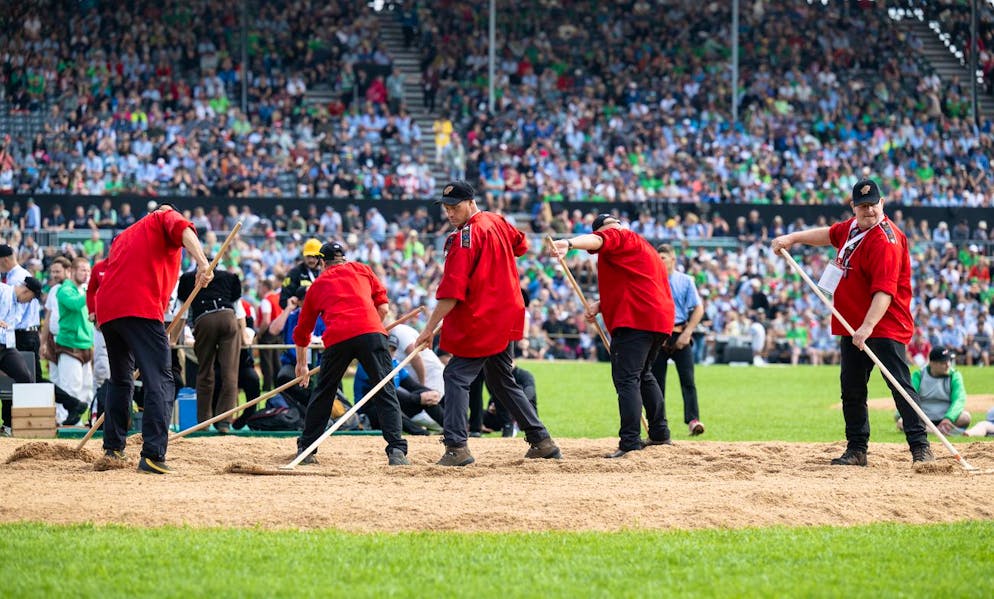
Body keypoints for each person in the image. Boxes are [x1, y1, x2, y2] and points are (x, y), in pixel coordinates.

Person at [771, 178, 934, 466]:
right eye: (863, 207)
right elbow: (828, 234)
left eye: (873, 205)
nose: (869, 211)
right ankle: (857, 448)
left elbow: (885, 292)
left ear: (882, 204)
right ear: (853, 207)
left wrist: (867, 328)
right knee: (852, 389)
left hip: (883, 325)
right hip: (851, 324)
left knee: (899, 386)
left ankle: (920, 447)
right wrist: (793, 238)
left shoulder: (886, 241)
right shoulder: (851, 227)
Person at [415, 181, 561, 466]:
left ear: (471, 202)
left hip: (484, 317)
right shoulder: (498, 220)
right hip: (506, 313)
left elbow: (451, 293)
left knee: (456, 376)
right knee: (501, 379)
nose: (449, 213)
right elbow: (522, 245)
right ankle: (541, 439)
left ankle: (456, 447)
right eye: (446, 208)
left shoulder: (463, 239)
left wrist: (429, 327)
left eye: (454, 207)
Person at [95, 203, 212, 474]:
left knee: (121, 378)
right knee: (160, 377)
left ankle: (113, 448)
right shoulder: (164, 217)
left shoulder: (124, 235)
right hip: (139, 307)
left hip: (110, 311)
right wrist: (203, 263)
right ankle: (152, 454)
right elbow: (184, 228)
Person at [551, 213, 675, 457]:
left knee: (627, 379)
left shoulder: (617, 235)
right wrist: (601, 304)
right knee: (644, 375)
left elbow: (598, 240)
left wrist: (569, 243)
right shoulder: (643, 246)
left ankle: (630, 442)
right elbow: (636, 283)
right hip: (657, 318)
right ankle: (660, 433)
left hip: (635, 320)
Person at [292, 241, 409, 466]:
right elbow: (383, 307)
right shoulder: (363, 270)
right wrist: (372, 326)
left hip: (338, 337)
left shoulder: (317, 284)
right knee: (385, 390)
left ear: (322, 263)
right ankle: (396, 450)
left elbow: (302, 330)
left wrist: (302, 365)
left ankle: (306, 448)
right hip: (372, 332)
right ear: (343, 258)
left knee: (324, 393)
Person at [177, 265, 242, 433]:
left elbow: (182, 313)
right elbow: (239, 311)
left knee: (205, 372)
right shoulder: (230, 277)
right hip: (228, 318)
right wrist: (245, 335)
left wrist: (172, 339)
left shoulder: (187, 279)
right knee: (230, 373)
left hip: (204, 320)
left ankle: (203, 423)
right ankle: (224, 422)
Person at [652, 244, 705, 436]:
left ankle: (693, 420)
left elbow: (698, 308)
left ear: (673, 259)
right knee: (656, 382)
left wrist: (688, 332)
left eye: (663, 258)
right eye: (658, 258)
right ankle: (658, 423)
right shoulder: (652, 280)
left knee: (688, 379)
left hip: (680, 330)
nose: (660, 261)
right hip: (659, 333)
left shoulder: (685, 281)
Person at [0, 277, 50, 435]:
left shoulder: (16, 301)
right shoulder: (2, 290)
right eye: (31, 298)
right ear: (25, 290)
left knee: (25, 377)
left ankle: (18, 425)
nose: (29, 302)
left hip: (6, 347)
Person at [896, 346, 970, 434]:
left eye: (949, 361)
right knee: (901, 421)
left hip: (945, 417)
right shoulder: (919, 375)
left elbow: (959, 399)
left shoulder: (954, 375)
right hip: (923, 416)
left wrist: (949, 418)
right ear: (931, 363)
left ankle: (928, 430)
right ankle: (938, 431)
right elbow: (909, 397)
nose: (948, 365)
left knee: (965, 417)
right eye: (943, 362)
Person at [54, 257, 95, 413]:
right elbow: (76, 304)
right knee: (71, 387)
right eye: (83, 270)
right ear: (72, 271)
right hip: (69, 344)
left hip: (85, 343)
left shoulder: (83, 290)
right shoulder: (64, 289)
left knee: (86, 387)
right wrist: (91, 290)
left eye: (88, 270)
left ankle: (78, 424)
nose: (86, 274)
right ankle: (65, 422)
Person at [482, 361, 537, 437]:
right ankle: (476, 427)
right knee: (478, 414)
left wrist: (511, 405)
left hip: (522, 412)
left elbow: (529, 394)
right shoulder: (496, 376)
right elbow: (494, 396)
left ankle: (512, 427)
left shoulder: (524, 375)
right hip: (501, 414)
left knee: (515, 392)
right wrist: (492, 406)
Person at [279, 238, 323, 308]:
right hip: (300, 315)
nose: (311, 260)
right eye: (308, 256)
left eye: (314, 256)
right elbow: (283, 301)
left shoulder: (326, 272)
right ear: (303, 255)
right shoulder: (294, 273)